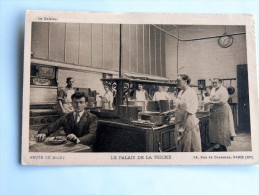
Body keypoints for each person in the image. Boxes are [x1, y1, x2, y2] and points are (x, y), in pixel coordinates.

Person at [172, 74, 201, 152]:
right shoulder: (181, 92)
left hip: (188, 123)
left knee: (189, 147)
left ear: (185, 81)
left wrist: (183, 127)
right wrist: (169, 112)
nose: (176, 82)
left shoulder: (191, 92)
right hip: (180, 121)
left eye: (178, 80)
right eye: (176, 81)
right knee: (181, 147)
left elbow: (189, 112)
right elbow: (178, 106)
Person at [206, 78, 236, 151]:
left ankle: (223, 145)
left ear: (220, 82)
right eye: (213, 83)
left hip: (222, 109)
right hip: (215, 110)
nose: (214, 84)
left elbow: (222, 101)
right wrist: (209, 99)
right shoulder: (213, 89)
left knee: (222, 127)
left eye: (215, 83)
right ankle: (217, 144)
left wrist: (211, 102)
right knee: (215, 127)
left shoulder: (223, 90)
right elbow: (211, 98)